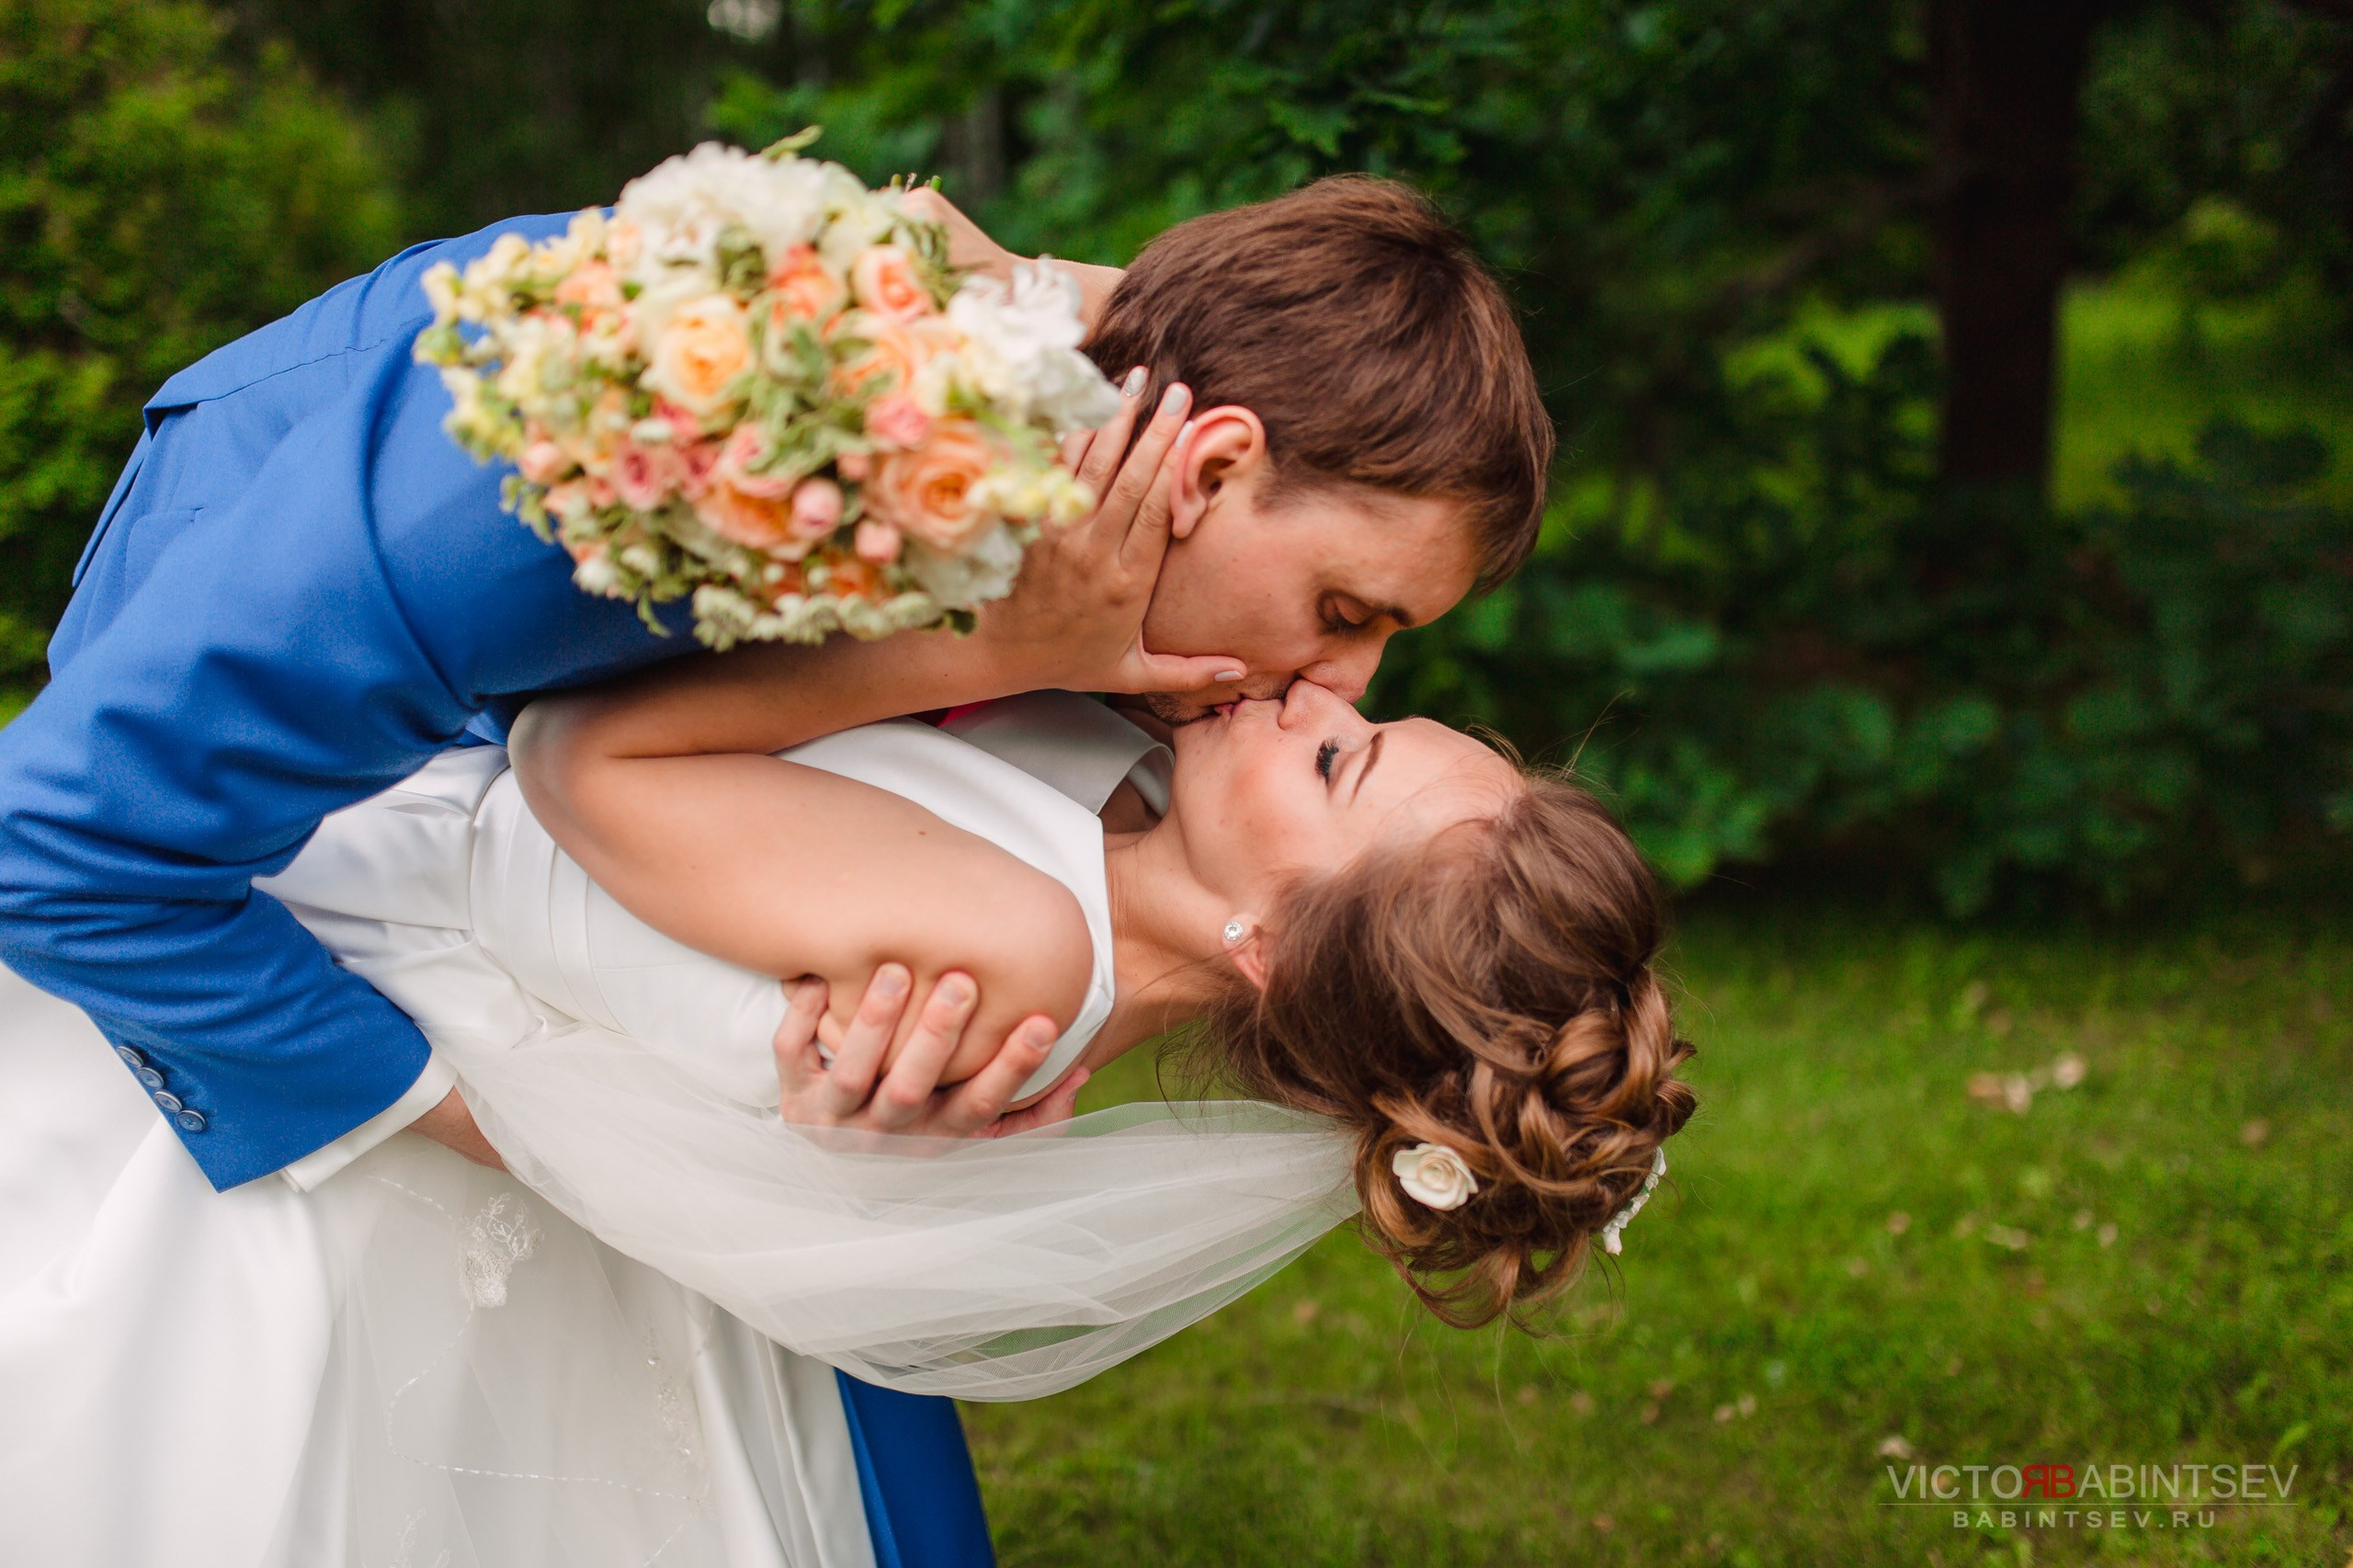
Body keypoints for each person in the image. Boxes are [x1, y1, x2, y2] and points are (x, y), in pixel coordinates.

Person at [0, 174, 1561, 1564]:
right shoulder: (614, 463)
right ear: (1207, 468)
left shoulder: (1129, 551)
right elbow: (66, 851)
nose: (1335, 684)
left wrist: (851, 1119)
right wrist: (515, 1129)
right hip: (285, 683)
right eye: (1349, 610)